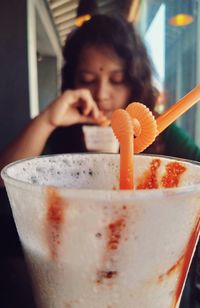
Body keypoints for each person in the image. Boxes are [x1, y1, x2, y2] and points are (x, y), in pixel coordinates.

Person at [0, 14, 199, 307]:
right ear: (72, 80)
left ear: (134, 81)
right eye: (88, 80)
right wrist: (48, 120)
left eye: (116, 80)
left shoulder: (159, 133)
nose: (102, 94)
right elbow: (8, 177)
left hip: (151, 274)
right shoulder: (65, 135)